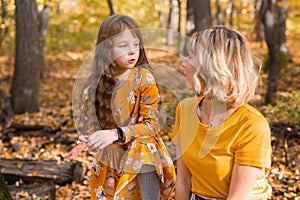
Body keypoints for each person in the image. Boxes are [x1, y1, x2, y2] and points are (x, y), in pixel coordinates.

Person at [66, 14, 176, 200]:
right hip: (112, 158)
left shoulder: (143, 79)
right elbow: (95, 127)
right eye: (124, 46)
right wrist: (90, 139)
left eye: (135, 44)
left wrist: (115, 133)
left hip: (142, 152)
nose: (133, 51)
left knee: (144, 147)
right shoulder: (93, 87)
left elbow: (151, 125)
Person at [173, 26, 272, 200]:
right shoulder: (185, 110)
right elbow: (183, 182)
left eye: (191, 57)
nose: (183, 63)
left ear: (212, 66)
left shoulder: (252, 125)